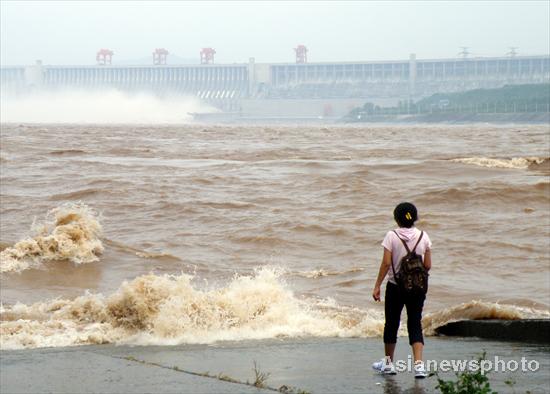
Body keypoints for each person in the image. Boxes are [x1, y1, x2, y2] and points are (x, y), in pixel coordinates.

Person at [371, 202, 432, 378]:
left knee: (392, 323)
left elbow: (386, 263)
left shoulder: (391, 236)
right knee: (415, 323)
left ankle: (389, 364)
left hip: (395, 287)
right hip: (418, 288)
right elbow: (427, 265)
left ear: (396, 218)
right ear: (415, 218)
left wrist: (377, 285)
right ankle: (419, 366)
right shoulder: (423, 236)